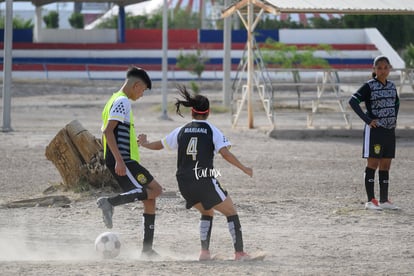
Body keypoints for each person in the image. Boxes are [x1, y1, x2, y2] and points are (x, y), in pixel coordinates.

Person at [138, 85, 254, 261]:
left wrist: (144, 143)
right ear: (208, 113)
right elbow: (226, 154)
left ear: (192, 112)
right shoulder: (211, 130)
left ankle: (204, 253)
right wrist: (244, 168)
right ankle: (239, 253)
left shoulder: (182, 130)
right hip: (203, 180)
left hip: (184, 183)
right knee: (231, 212)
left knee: (207, 212)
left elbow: (160, 144)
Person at [98, 66, 163, 258]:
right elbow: (107, 131)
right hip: (123, 160)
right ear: (136, 85)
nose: (142, 95)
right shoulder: (123, 101)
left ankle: (147, 249)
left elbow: (115, 132)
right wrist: (119, 160)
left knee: (150, 200)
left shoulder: (114, 100)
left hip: (125, 158)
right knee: (156, 191)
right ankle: (109, 202)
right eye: (143, 90)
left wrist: (134, 142)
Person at [349, 55, 400, 210]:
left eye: (385, 68)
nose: (383, 71)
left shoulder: (392, 86)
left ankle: (384, 200)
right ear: (374, 69)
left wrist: (393, 119)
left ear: (389, 68)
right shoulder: (369, 86)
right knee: (373, 164)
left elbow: (396, 103)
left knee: (386, 165)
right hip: (375, 131)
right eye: (379, 68)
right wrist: (367, 120)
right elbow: (353, 101)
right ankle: (371, 201)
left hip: (389, 131)